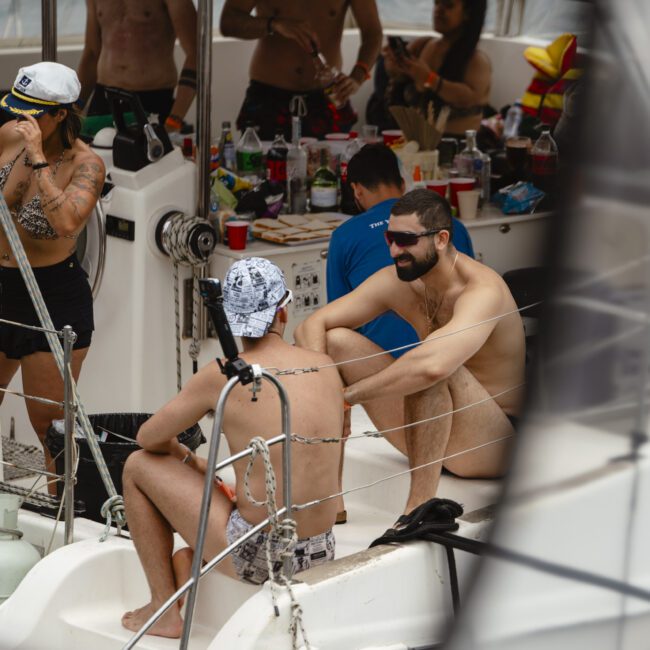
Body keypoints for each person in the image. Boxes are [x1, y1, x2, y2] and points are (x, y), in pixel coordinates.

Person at [121, 257, 342, 638]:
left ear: (230, 319)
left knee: (137, 465)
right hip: (321, 547)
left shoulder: (223, 374)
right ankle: (190, 562)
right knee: (230, 482)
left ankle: (162, 608)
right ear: (283, 312)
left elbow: (148, 438)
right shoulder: (324, 365)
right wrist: (199, 466)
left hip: (261, 557)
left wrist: (183, 456)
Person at [296, 189, 524, 517]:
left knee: (433, 365)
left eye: (405, 240)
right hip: (430, 429)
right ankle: (331, 501)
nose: (393, 250)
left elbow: (432, 366)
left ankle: (417, 512)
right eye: (390, 238)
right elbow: (312, 325)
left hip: (492, 444)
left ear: (442, 239)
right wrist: (322, 390)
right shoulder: (401, 281)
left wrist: (347, 396)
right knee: (336, 341)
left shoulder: (482, 290)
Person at [0, 62, 105, 483]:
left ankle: (62, 516)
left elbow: (66, 224)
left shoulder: (87, 165)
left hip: (51, 295)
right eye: (17, 111)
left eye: (33, 114)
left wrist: (39, 161)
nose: (21, 122)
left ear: (60, 113)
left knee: (50, 428)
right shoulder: (8, 137)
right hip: (2, 286)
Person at [328, 143, 474, 359]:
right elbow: (471, 293)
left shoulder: (345, 236)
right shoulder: (452, 225)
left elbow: (337, 321)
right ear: (404, 184)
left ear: (357, 191)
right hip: (453, 355)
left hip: (388, 366)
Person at [220, 0, 383, 140]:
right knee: (260, 173)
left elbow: (373, 33)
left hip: (327, 96)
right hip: (268, 97)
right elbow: (227, 23)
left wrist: (357, 76)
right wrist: (273, 24)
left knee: (331, 174)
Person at [77, 0, 197, 132]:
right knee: (92, 151)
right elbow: (92, 54)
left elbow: (196, 53)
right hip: (104, 98)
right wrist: (73, 109)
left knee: (149, 152)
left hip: (152, 99)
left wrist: (175, 119)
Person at [378, 0, 491, 137]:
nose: (438, 10)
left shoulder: (477, 60)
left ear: (468, 13)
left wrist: (429, 78)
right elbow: (396, 75)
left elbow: (468, 98)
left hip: (455, 145)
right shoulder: (423, 44)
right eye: (436, 3)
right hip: (415, 141)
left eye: (448, 5)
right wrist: (392, 63)